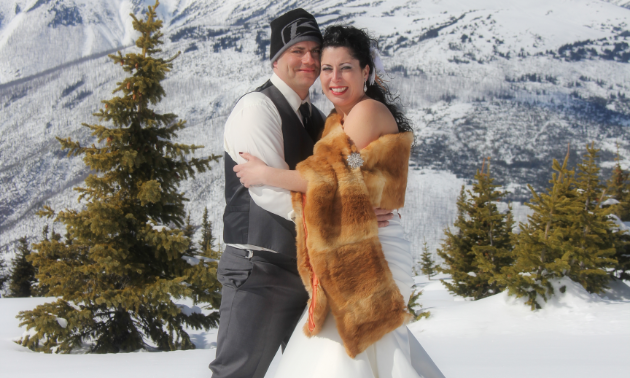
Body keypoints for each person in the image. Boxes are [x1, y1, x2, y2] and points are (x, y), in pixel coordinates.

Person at [234, 26, 445, 378]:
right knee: (361, 355)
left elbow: (329, 177)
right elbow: (350, 172)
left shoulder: (367, 111)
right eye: (327, 69)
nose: (334, 78)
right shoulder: (339, 120)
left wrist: (265, 174)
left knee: (345, 354)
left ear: (366, 71)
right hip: (353, 250)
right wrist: (355, 199)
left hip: (375, 256)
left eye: (346, 68)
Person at [210, 10, 393, 378]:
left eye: (315, 51)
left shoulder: (313, 116)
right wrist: (346, 215)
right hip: (261, 270)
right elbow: (268, 193)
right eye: (297, 50)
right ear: (276, 58)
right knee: (238, 372)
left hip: (308, 270)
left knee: (315, 370)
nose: (309, 60)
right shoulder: (257, 108)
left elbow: (344, 172)